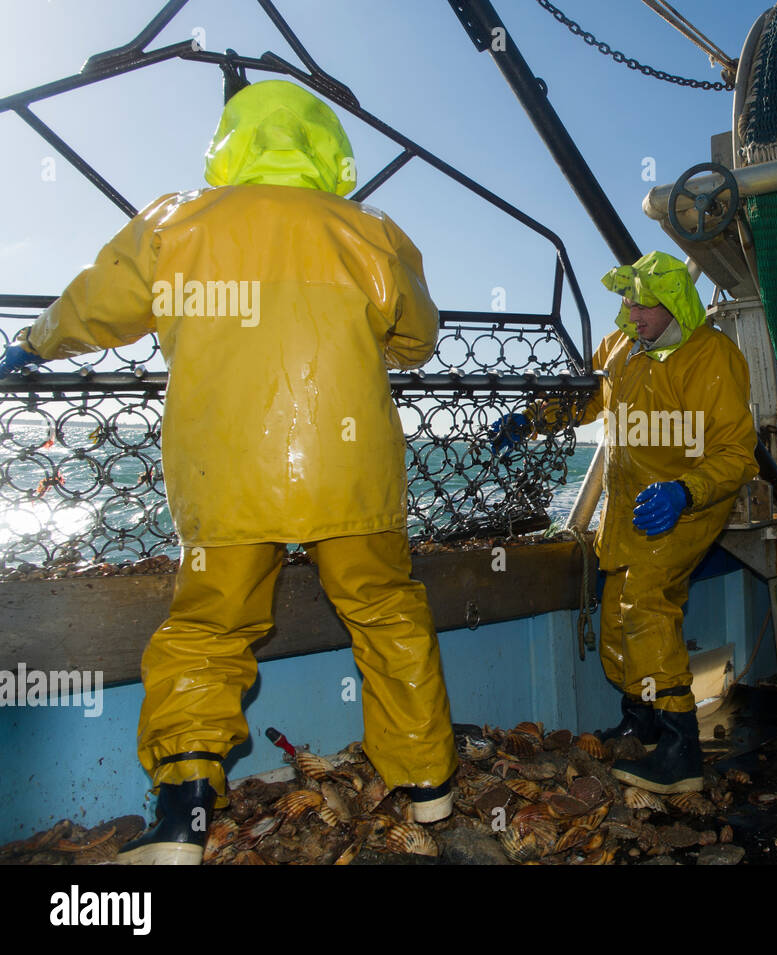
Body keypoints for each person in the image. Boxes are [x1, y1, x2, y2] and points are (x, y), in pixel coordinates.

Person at [0, 80, 457, 863]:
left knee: (209, 632)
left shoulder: (176, 220)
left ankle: (182, 814)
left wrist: (34, 344)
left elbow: (98, 304)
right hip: (351, 474)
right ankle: (428, 787)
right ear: (328, 148)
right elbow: (419, 337)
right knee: (387, 614)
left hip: (228, 473)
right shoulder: (371, 229)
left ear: (231, 142)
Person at [493, 250, 757, 793]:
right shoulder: (619, 347)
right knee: (615, 616)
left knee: (644, 607)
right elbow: (586, 400)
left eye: (644, 304)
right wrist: (532, 419)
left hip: (686, 507)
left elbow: (736, 453)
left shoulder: (712, 357)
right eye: (627, 301)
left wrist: (686, 491)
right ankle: (644, 723)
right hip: (628, 506)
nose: (631, 313)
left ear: (676, 305)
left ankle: (682, 750)